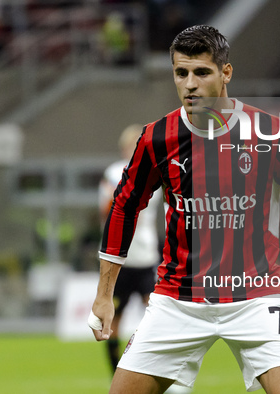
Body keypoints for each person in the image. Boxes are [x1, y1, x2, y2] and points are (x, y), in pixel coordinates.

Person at [89, 25, 280, 393]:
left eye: (201, 72)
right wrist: (104, 294)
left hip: (256, 299)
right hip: (177, 301)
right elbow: (124, 206)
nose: (190, 83)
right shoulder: (157, 138)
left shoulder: (269, 133)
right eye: (181, 73)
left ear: (226, 73)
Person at [97, 124, 161, 374]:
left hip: (146, 254)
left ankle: (158, 370)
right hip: (118, 258)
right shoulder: (114, 173)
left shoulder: (155, 172)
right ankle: (116, 374)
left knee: (158, 314)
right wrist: (121, 194)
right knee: (114, 318)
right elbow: (105, 211)